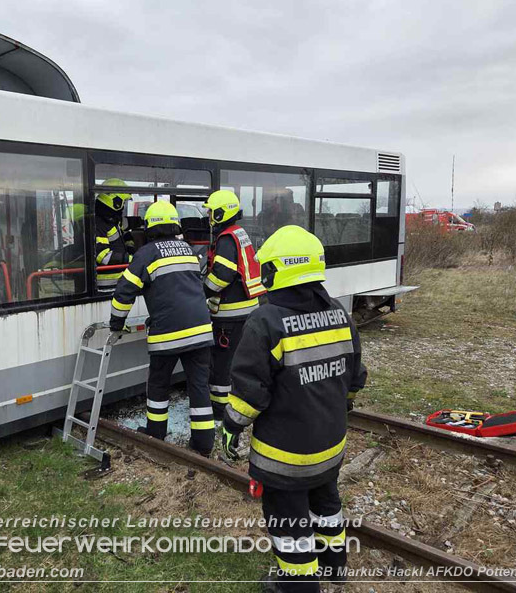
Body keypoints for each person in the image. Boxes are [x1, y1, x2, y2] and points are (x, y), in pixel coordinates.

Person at [221, 225, 367, 592]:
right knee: (326, 506)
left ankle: (298, 585)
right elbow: (354, 378)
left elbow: (249, 393)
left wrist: (230, 427)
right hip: (331, 448)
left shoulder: (265, 322)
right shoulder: (340, 315)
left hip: (283, 456)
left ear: (276, 271)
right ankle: (335, 568)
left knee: (289, 526)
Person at [109, 201, 215, 456]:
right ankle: (203, 444)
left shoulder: (146, 253)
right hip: (201, 330)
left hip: (167, 335)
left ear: (149, 228)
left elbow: (124, 291)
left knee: (158, 383)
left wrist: (116, 323)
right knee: (199, 386)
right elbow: (185, 289)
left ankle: (156, 433)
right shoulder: (189, 251)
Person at [202, 189, 266, 418]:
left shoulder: (227, 238)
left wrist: (202, 291)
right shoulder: (238, 233)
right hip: (245, 309)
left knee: (222, 363)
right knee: (236, 360)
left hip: (229, 315)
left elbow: (222, 275)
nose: (208, 216)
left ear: (220, 213)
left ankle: (220, 410)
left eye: (210, 212)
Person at [95, 178, 136, 292]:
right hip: (107, 285)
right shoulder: (99, 224)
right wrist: (131, 259)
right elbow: (102, 256)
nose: (123, 207)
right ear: (115, 202)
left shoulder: (112, 220)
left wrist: (130, 248)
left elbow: (122, 238)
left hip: (119, 281)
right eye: (123, 202)